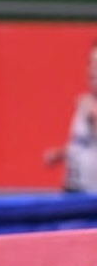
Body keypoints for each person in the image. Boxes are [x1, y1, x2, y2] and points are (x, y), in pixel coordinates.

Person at [43, 41, 97, 192]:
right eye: (90, 64)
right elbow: (83, 145)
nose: (92, 71)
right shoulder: (84, 104)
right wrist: (60, 154)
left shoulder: (90, 109)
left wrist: (94, 117)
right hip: (72, 189)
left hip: (92, 195)